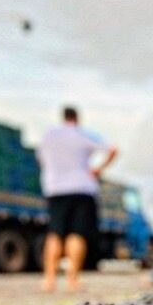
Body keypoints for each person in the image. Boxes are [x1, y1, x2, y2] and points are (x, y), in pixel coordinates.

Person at [37, 106, 117, 292]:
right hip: (81, 188)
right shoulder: (83, 134)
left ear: (63, 117)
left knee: (55, 233)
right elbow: (112, 149)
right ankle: (72, 279)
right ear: (77, 119)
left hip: (55, 189)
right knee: (76, 234)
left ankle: (48, 279)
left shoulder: (49, 136)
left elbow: (41, 159)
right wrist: (99, 169)